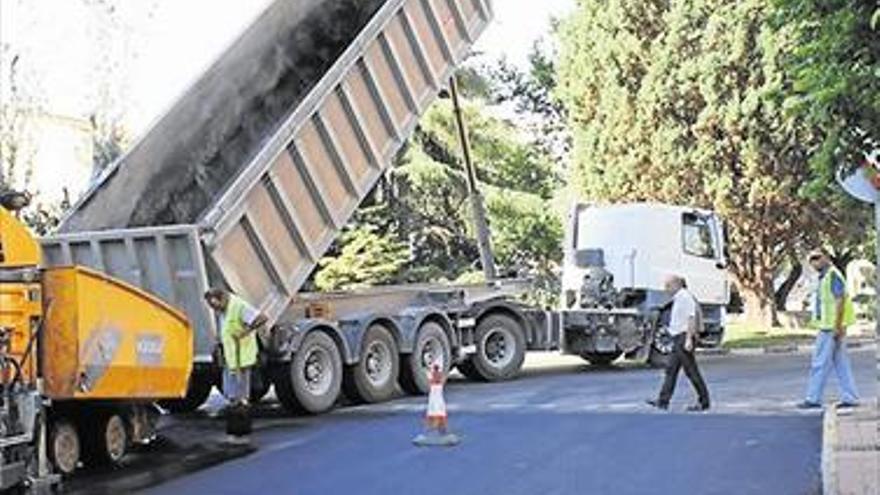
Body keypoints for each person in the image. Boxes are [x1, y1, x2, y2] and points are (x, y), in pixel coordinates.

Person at [797, 249, 859, 409]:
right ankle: (850, 397)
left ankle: (813, 398)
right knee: (841, 363)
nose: (814, 262)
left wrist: (838, 327)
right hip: (830, 325)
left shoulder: (832, 275)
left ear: (826, 257)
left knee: (819, 363)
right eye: (811, 259)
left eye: (817, 258)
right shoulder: (824, 277)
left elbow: (840, 302)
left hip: (831, 327)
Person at [204, 288, 267, 438]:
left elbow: (262, 318)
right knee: (231, 393)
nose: (214, 309)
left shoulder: (239, 306)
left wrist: (245, 331)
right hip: (231, 358)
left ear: (221, 298)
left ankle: (241, 425)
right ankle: (237, 420)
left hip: (242, 357)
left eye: (214, 305)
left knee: (240, 395)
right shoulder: (223, 310)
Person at [647, 275, 711, 411]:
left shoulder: (685, 297)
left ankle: (704, 402)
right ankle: (663, 401)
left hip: (683, 338)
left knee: (692, 371)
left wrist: (688, 339)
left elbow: (691, 319)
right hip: (678, 338)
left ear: (676, 285)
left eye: (668, 286)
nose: (666, 289)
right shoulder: (678, 298)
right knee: (671, 370)